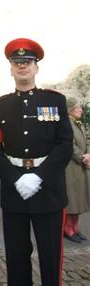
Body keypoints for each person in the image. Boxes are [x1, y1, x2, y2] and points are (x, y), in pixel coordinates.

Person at [0, 38, 73, 286]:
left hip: (48, 190)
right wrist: (15, 178)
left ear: (36, 67)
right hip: (15, 191)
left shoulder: (55, 101)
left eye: (27, 62)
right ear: (10, 68)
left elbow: (64, 144)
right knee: (16, 257)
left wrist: (39, 176)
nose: (22, 66)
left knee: (50, 256)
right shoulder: (0, 105)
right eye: (17, 62)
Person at [64, 97, 90, 243]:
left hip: (81, 166)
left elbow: (87, 139)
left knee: (80, 200)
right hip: (72, 168)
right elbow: (69, 145)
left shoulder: (77, 122)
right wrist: (82, 157)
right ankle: (68, 228)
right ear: (70, 110)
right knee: (73, 200)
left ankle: (75, 227)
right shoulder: (67, 124)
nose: (81, 109)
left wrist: (88, 155)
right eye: (78, 107)